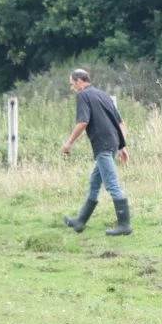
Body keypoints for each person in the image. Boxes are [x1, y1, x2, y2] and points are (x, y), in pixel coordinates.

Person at [61, 69, 132, 236]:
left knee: (112, 184)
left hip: (102, 145)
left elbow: (83, 122)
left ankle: (124, 225)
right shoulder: (103, 95)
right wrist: (121, 146)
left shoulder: (83, 96)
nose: (72, 88)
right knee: (94, 182)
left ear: (79, 81)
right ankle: (80, 221)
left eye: (72, 84)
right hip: (113, 143)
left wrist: (69, 143)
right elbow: (121, 124)